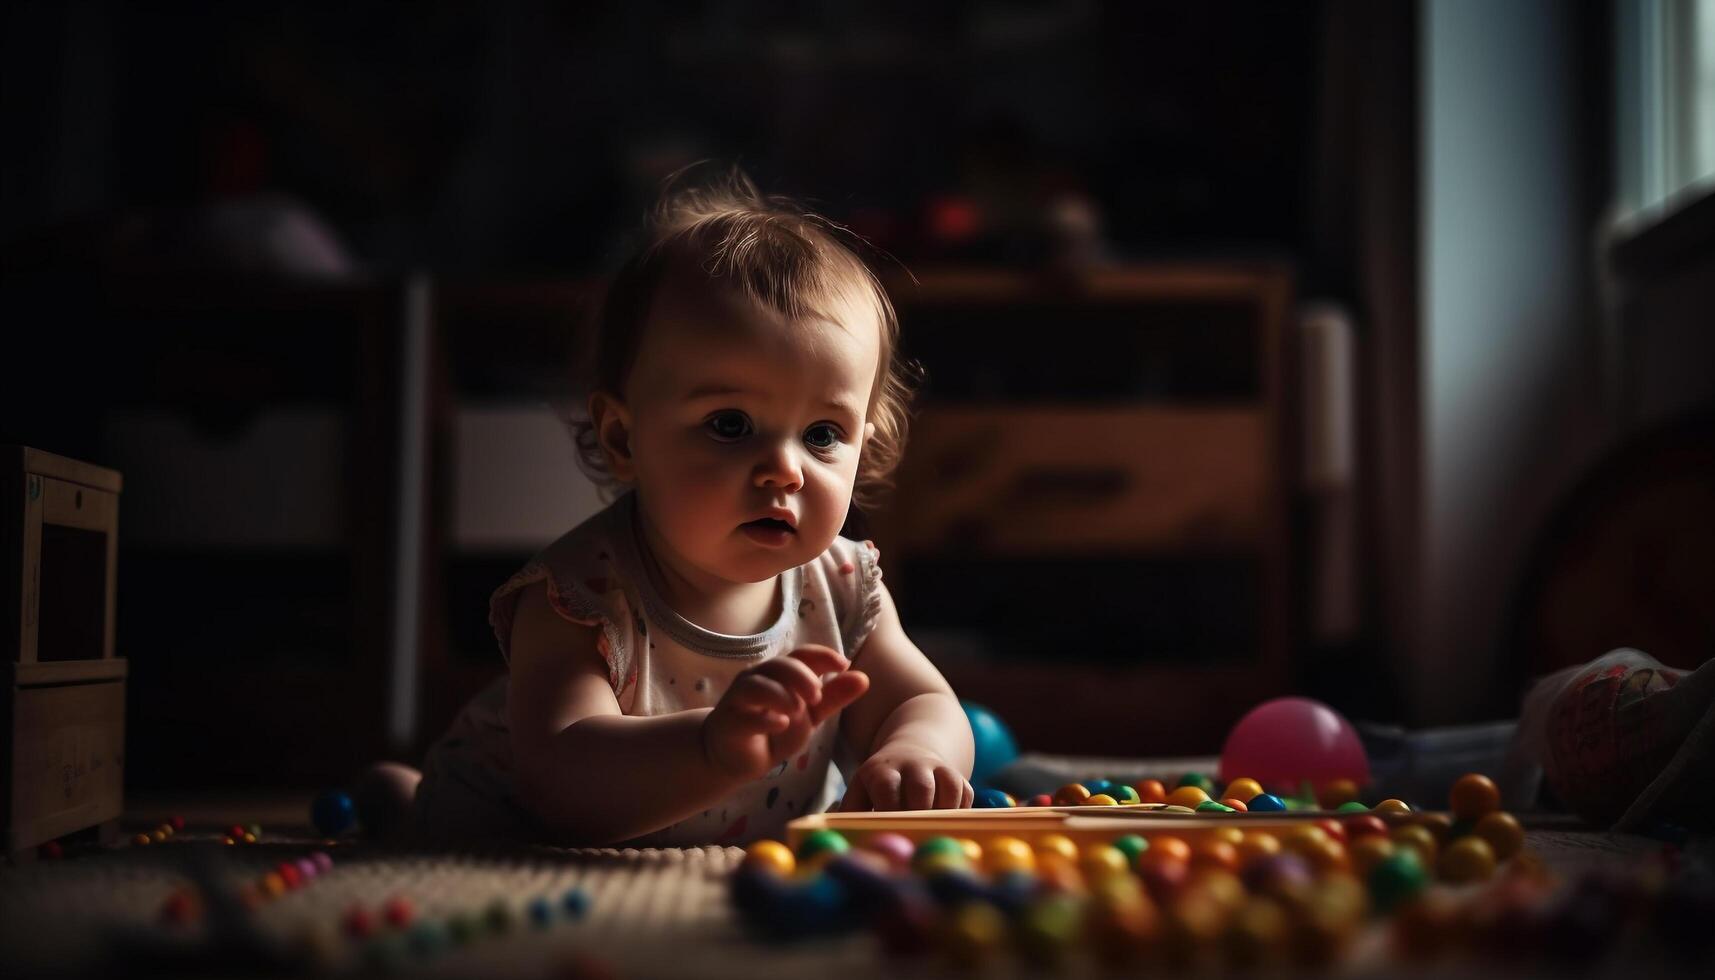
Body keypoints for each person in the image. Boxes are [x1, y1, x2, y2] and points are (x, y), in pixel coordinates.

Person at [404, 168, 974, 846]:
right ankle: (400, 795)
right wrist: (709, 750)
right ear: (624, 437)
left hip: (743, 855)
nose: (784, 471)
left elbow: (922, 700)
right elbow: (561, 781)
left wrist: (917, 752)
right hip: (498, 821)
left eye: (822, 435)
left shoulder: (842, 585)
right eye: (729, 424)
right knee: (421, 816)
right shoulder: (580, 597)